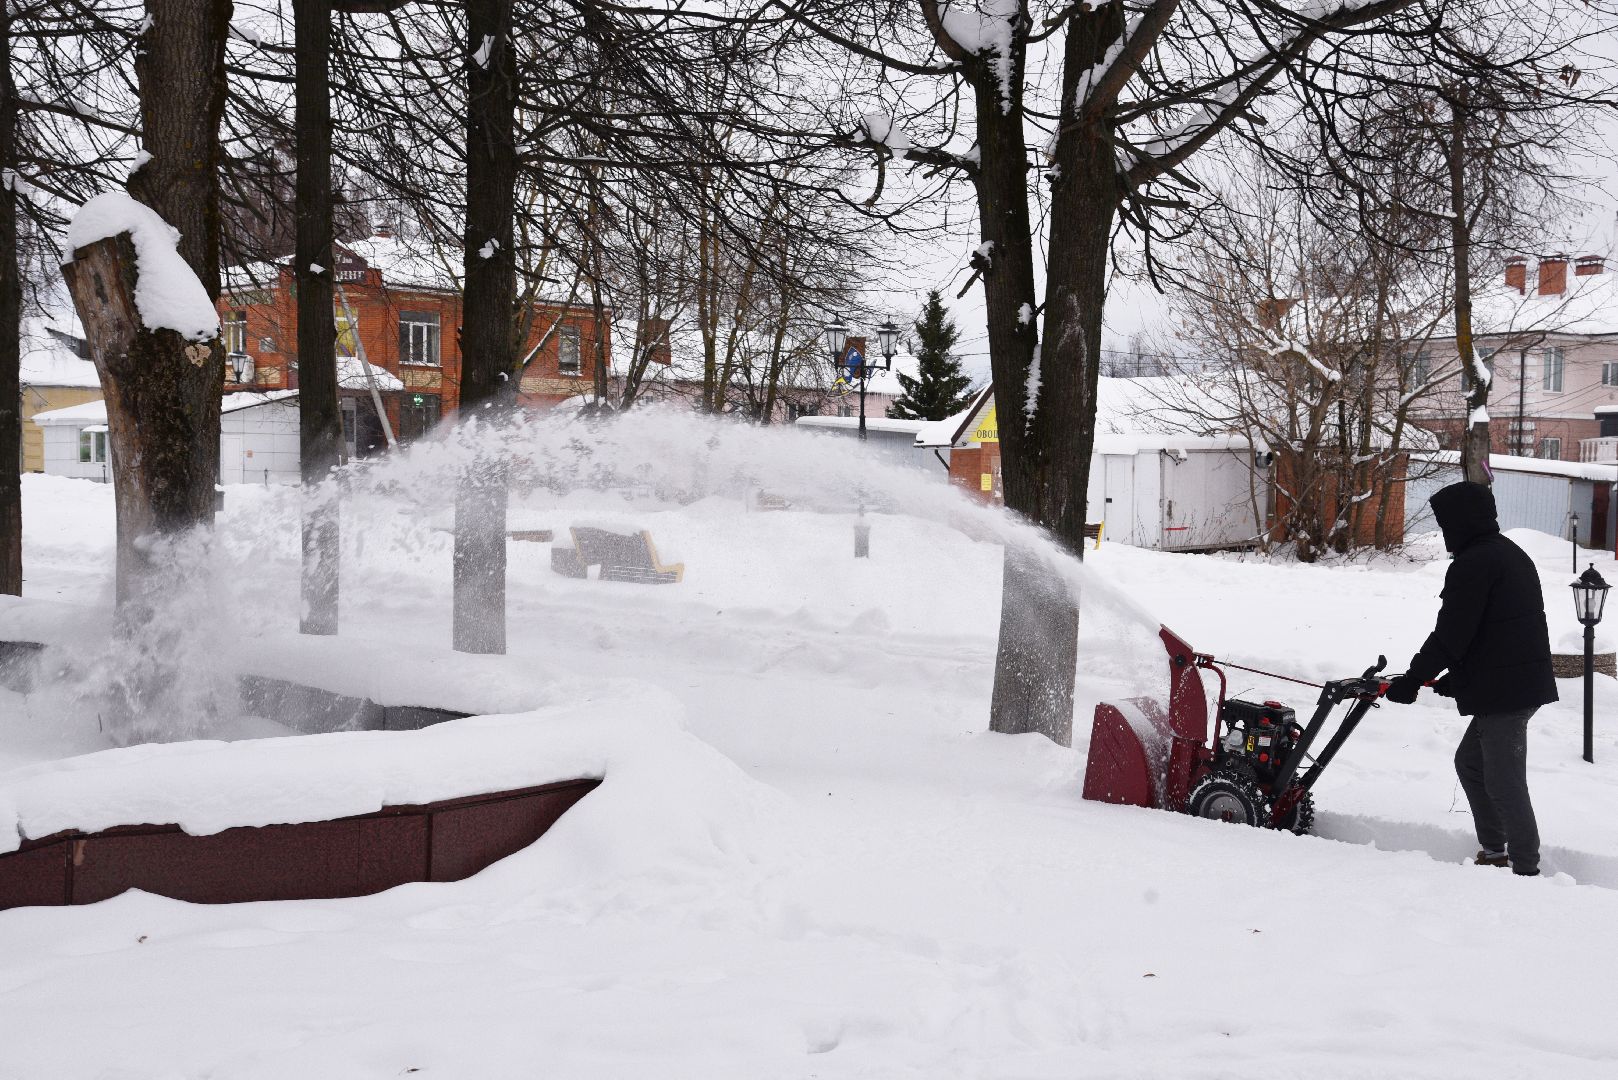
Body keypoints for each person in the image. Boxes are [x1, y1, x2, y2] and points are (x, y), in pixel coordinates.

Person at [1383, 481, 1557, 877]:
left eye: (1446, 525)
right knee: (1472, 764)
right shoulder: (1504, 554)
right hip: (1507, 682)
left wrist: (1413, 679)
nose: (1445, 534)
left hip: (1508, 692)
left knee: (1503, 779)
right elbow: (1494, 632)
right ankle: (1494, 849)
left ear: (1462, 522)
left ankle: (1525, 868)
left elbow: (1452, 634)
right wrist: (1460, 680)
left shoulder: (1476, 562)